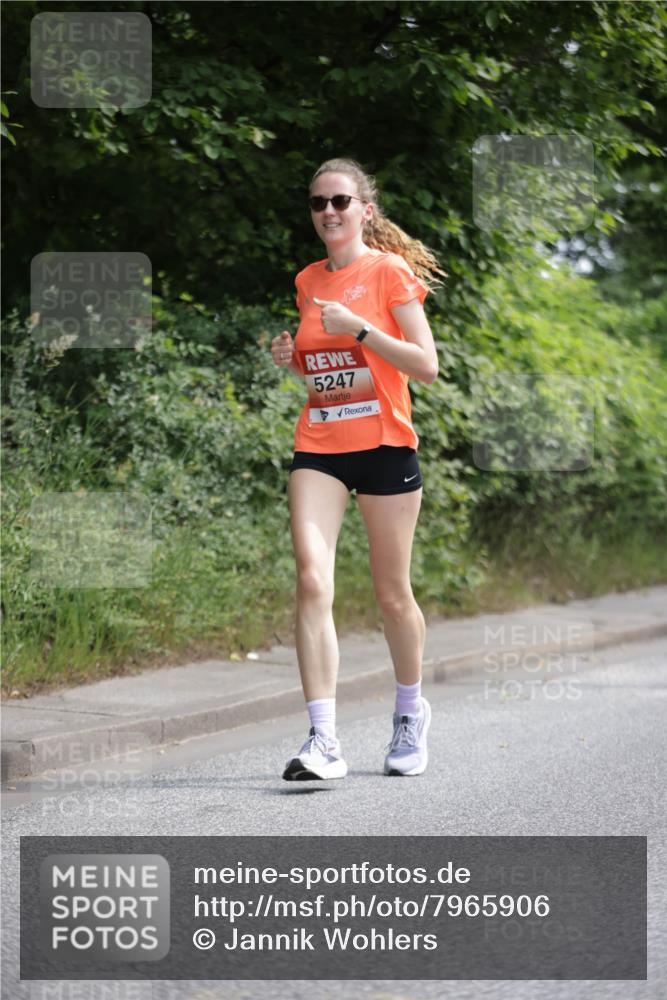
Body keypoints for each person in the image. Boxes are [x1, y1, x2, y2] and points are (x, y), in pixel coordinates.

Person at [270, 157, 446, 781]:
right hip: (320, 442)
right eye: (318, 203)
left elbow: (424, 364)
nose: (328, 212)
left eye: (341, 201)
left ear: (365, 210)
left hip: (384, 447)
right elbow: (327, 374)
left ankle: (408, 713)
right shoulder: (307, 280)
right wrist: (292, 358)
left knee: (391, 594)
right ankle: (323, 740)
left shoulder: (388, 271)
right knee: (313, 581)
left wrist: (362, 329)